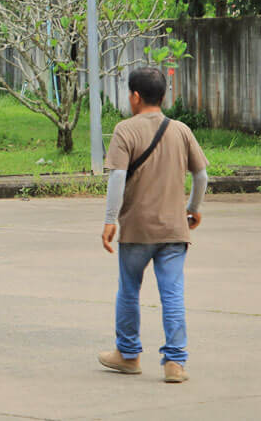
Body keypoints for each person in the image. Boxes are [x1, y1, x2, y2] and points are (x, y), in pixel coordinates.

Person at [98, 66, 209, 384]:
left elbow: (117, 177)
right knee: (172, 293)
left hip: (136, 229)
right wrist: (193, 208)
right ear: (163, 95)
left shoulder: (125, 130)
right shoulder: (181, 130)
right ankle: (175, 363)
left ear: (135, 96)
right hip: (175, 229)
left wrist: (109, 219)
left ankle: (129, 355)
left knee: (129, 290)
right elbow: (201, 175)